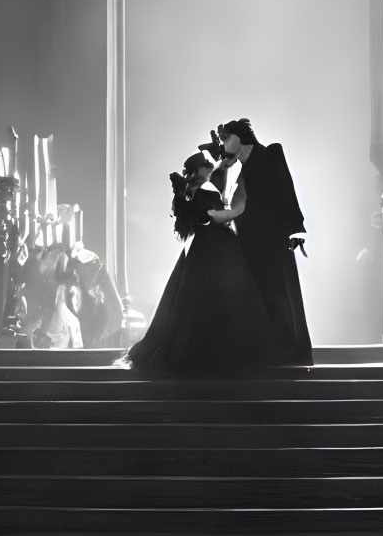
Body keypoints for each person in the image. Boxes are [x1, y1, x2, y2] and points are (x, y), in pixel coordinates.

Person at [124, 150, 276, 376]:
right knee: (214, 296)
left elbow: (216, 182)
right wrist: (239, 206)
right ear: (198, 170)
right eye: (206, 166)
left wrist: (225, 166)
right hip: (214, 248)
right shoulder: (198, 194)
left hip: (207, 247)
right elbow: (219, 215)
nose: (210, 168)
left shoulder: (193, 191)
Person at [207, 118, 313, 366]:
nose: (223, 143)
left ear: (240, 137)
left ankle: (289, 352)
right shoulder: (237, 167)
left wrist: (297, 227)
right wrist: (221, 162)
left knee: (279, 291)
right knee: (258, 293)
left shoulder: (271, 153)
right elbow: (224, 194)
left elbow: (288, 190)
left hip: (273, 238)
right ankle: (268, 353)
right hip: (248, 239)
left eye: (226, 138)